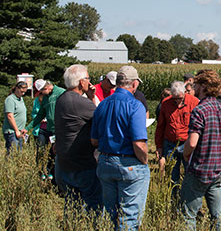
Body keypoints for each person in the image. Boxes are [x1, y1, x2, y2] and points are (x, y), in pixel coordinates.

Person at [91, 66, 150, 231]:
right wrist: (144, 160)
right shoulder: (135, 105)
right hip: (128, 163)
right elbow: (138, 143)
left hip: (105, 161)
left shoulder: (102, 105)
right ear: (134, 84)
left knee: (111, 214)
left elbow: (94, 140)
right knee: (129, 217)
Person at [181, 70, 221, 231]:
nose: (193, 87)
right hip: (218, 167)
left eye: (196, 84)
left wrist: (186, 154)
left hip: (200, 167)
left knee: (189, 214)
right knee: (217, 214)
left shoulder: (199, 110)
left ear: (203, 86)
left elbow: (193, 142)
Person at [54, 64, 102, 213]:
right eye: (88, 78)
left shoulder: (61, 99)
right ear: (81, 82)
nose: (89, 82)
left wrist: (90, 97)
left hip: (65, 161)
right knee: (94, 205)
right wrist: (92, 98)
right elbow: (101, 117)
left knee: (72, 204)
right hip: (83, 163)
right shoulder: (79, 102)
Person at [155, 81, 199, 195]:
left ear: (184, 93)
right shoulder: (166, 103)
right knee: (172, 174)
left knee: (189, 173)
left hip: (187, 144)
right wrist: (159, 146)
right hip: (170, 143)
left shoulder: (194, 102)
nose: (178, 102)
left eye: (179, 98)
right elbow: (160, 126)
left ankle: (188, 198)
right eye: (175, 99)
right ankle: (174, 197)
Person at [28, 79, 66, 181]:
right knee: (47, 154)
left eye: (41, 92)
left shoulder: (61, 93)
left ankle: (57, 179)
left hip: (59, 131)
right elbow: (40, 115)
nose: (41, 94)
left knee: (56, 155)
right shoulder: (45, 98)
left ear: (46, 88)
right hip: (49, 131)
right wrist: (27, 128)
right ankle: (48, 175)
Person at [3, 81, 28, 154]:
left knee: (18, 153)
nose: (23, 94)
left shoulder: (21, 99)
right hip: (12, 131)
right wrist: (16, 130)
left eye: (24, 92)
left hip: (20, 131)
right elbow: (10, 116)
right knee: (12, 153)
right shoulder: (10, 99)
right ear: (17, 88)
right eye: (21, 91)